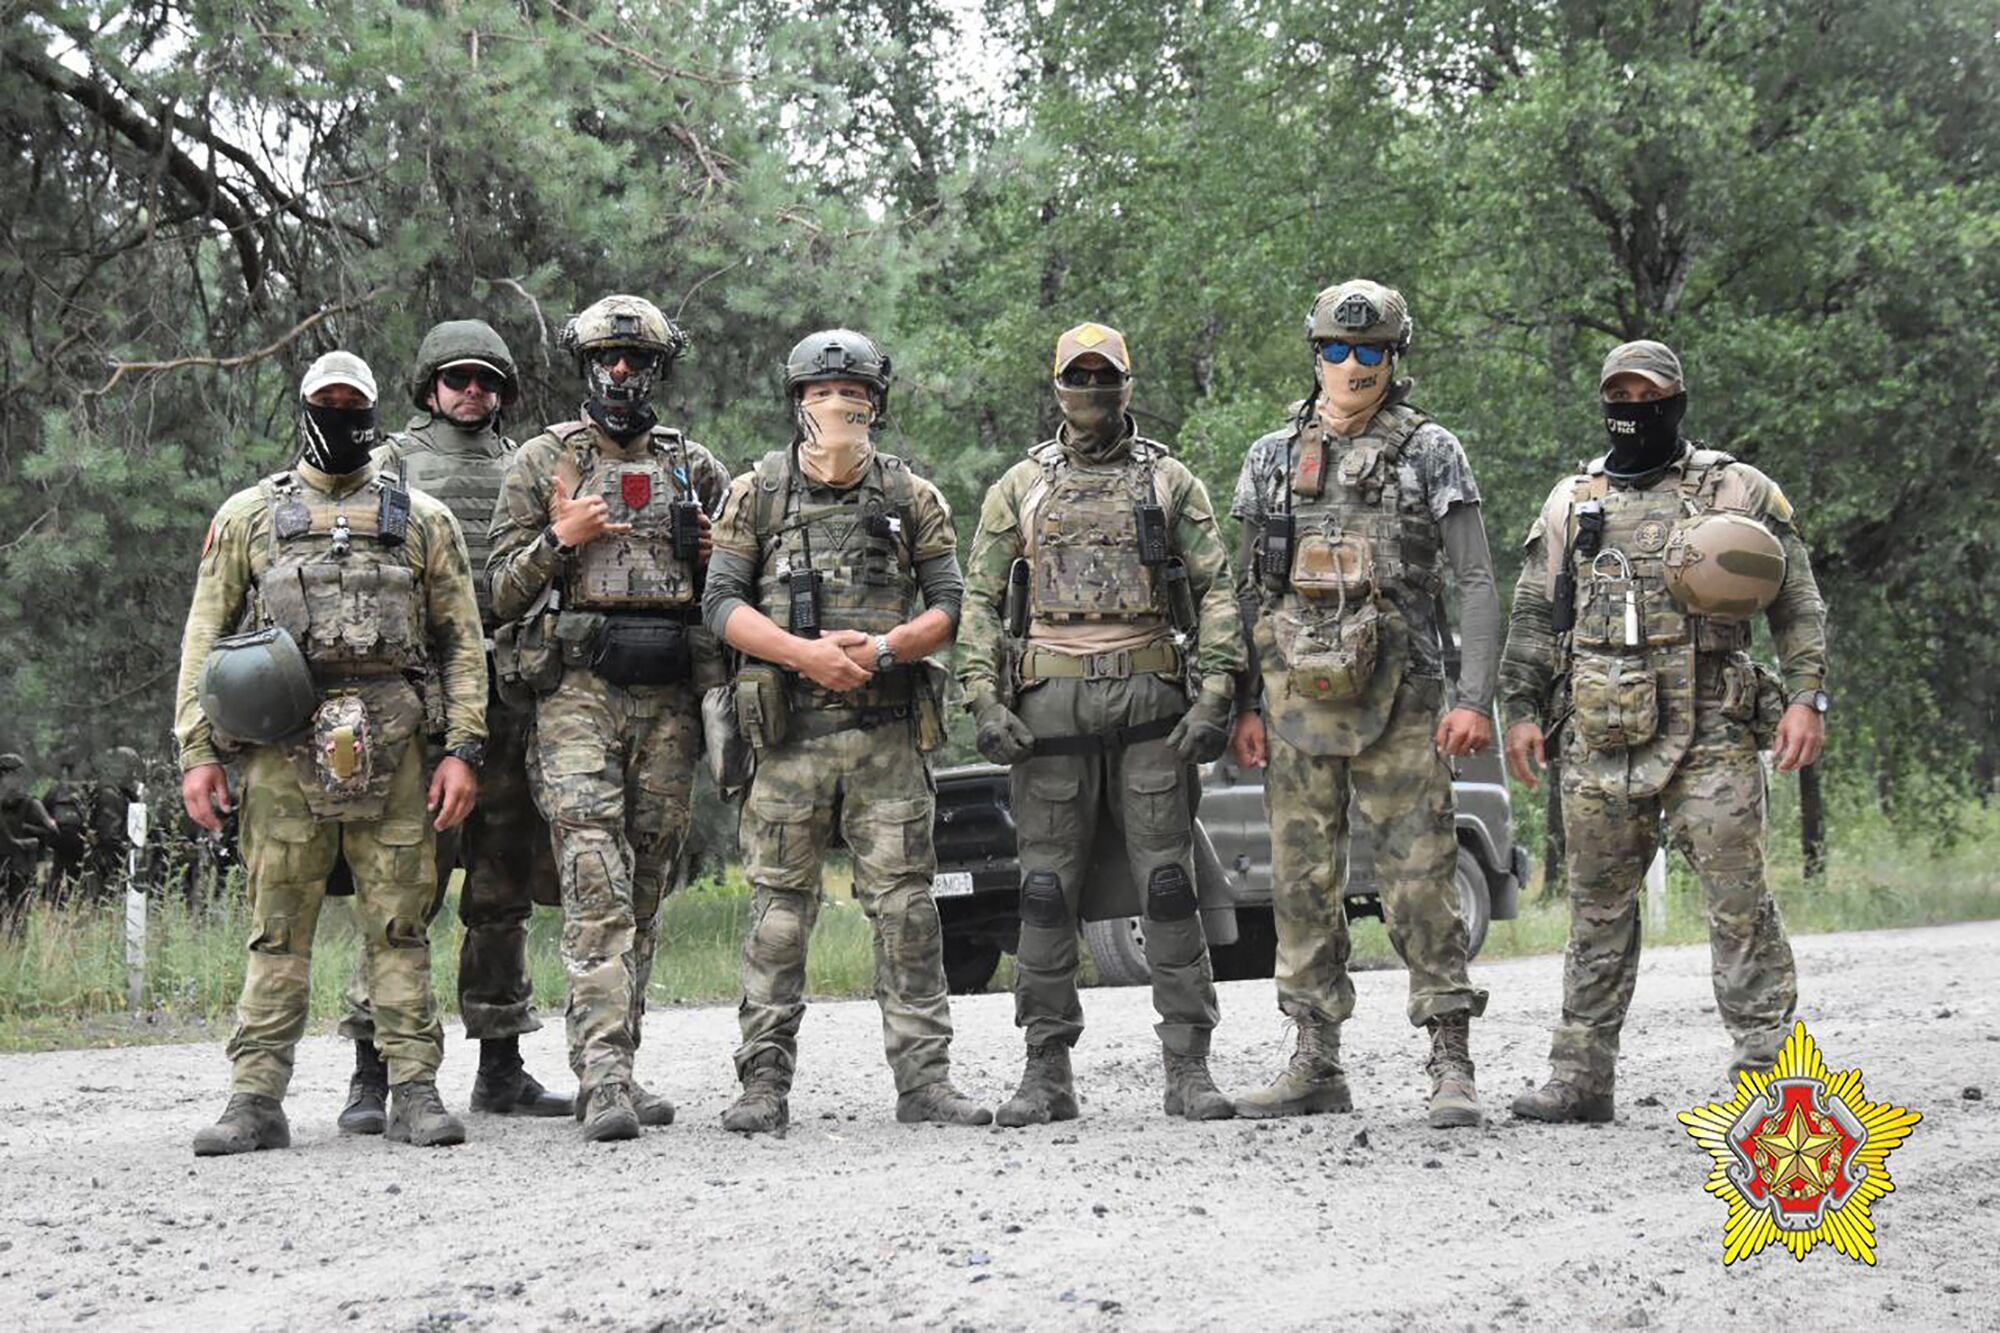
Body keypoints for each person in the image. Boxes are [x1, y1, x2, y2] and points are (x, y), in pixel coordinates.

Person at [1502, 339, 1829, 1123]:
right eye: (1617, 393)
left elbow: (1799, 602)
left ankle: (1769, 1083)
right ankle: (1580, 1079)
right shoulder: (1572, 502)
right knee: (1595, 911)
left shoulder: (1738, 489)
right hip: (1598, 733)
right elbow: (1531, 613)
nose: (1631, 407)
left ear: (1675, 401)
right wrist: (1517, 708)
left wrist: (1806, 696)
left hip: (1712, 729)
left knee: (1739, 906)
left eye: (1646, 393)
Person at [175, 350, 487, 1155]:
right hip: (282, 744)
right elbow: (203, 638)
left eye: (355, 404)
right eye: (328, 402)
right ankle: (254, 1098)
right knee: (277, 927)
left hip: (395, 745)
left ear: (374, 411)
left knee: (400, 924)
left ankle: (414, 1089)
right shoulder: (249, 514)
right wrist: (197, 751)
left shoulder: (423, 519)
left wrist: (463, 749)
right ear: (306, 407)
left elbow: (461, 643)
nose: (341, 416)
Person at [1227, 279, 1501, 1128]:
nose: (1353, 365)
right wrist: (1242, 700)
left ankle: (1450, 1057)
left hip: (1407, 700)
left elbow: (1478, 579)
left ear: (1395, 358)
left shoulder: (1431, 451)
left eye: (1371, 351)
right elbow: (1243, 590)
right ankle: (1316, 1056)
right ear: (1315, 354)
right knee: (1302, 880)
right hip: (1295, 700)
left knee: (1420, 878)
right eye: (1338, 350)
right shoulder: (1271, 456)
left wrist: (1474, 695)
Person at [703, 328, 989, 1134]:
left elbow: (952, 604)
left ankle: (925, 1082)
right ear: (797, 403)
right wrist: (802, 654)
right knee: (779, 915)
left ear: (877, 402)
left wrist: (889, 646)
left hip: (886, 735)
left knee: (907, 912)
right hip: (790, 736)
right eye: (822, 395)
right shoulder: (754, 492)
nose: (837, 408)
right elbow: (720, 605)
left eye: (853, 394)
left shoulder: (911, 496)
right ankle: (763, 1083)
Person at [958, 321, 1243, 1127]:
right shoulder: (1021, 487)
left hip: (1153, 705)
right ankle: (1045, 1068)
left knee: (1168, 884)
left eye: (1104, 375)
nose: (1091, 390)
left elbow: (1218, 588)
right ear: (1055, 387)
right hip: (1050, 709)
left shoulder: (1169, 481)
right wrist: (982, 696)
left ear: (1127, 382)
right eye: (1077, 377)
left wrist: (1217, 691)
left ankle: (1188, 1065)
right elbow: (978, 598)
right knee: (1044, 891)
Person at [487, 294, 728, 1142]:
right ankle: (603, 1077)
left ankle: (620, 1055)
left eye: (636, 361)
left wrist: (709, 555)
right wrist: (560, 538)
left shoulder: (695, 466)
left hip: (667, 698)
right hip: (580, 694)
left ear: (656, 369)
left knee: (648, 884)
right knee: (596, 882)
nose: (621, 373)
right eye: (607, 359)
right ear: (585, 364)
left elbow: (732, 592)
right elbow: (495, 592)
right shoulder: (541, 461)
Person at [334, 320, 570, 1135]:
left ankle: (500, 1064)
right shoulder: (390, 462)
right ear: (429, 385)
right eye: (458, 379)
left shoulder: (526, 469)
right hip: (415, 705)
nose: (473, 392)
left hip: (507, 701)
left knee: (501, 891)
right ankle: (374, 1068)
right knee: (402, 889)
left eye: (486, 380)